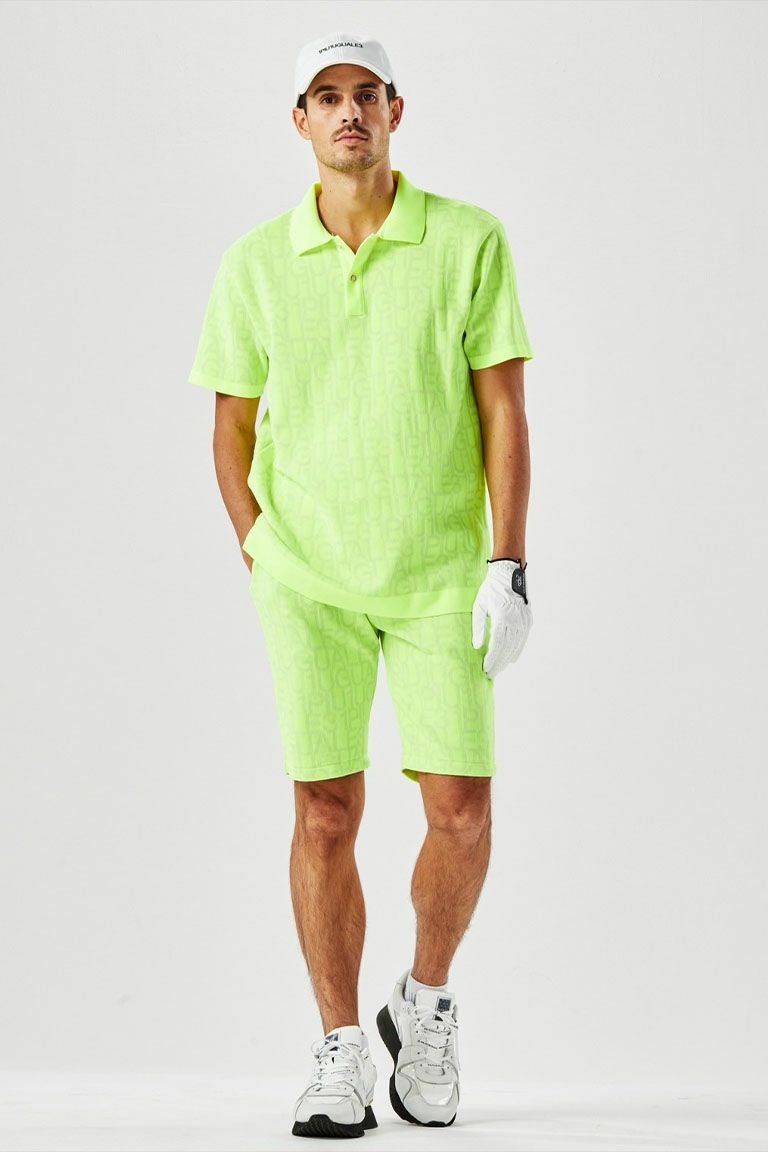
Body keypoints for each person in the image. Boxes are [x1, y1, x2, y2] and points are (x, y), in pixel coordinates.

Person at [188, 30, 535, 1140]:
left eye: (366, 95)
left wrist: (508, 561)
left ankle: (423, 1004)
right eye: (326, 97)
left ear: (396, 111)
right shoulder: (255, 263)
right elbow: (231, 424)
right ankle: (340, 1049)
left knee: (463, 812)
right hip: (308, 580)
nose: (349, 113)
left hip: (438, 572)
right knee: (324, 812)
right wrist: (260, 549)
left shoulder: (468, 240)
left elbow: (502, 409)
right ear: (300, 120)